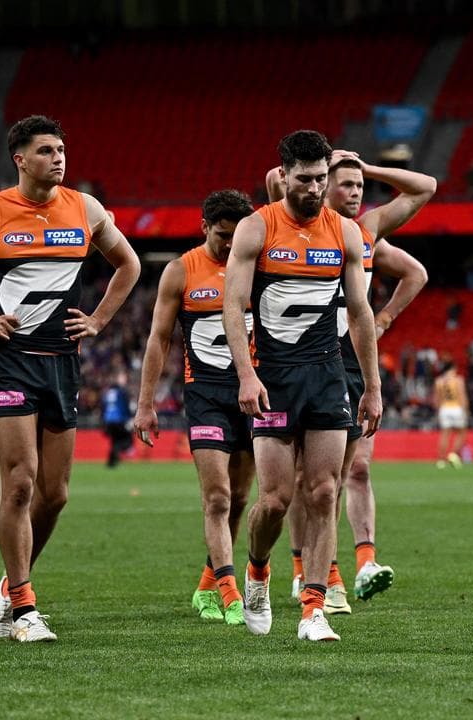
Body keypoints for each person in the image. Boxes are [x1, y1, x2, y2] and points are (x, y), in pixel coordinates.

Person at [0, 114, 141, 643]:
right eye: (46, 150)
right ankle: (22, 606)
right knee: (19, 482)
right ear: (20, 159)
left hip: (63, 360)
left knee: (55, 494)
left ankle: (9, 584)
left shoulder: (85, 209)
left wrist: (99, 320)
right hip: (12, 361)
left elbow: (128, 264)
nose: (59, 158)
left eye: (62, 148)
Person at [223, 129, 383, 642]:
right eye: (305, 178)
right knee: (274, 498)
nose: (315, 188)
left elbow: (359, 312)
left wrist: (373, 386)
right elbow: (233, 305)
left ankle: (313, 607)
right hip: (272, 379)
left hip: (327, 374)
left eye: (322, 179)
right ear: (284, 175)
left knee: (323, 490)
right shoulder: (256, 228)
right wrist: (245, 374)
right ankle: (258, 570)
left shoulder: (345, 233)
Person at [267, 150, 432, 609]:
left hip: (351, 357)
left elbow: (426, 188)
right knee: (304, 477)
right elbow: (272, 180)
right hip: (299, 355)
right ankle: (310, 571)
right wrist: (325, 162)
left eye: (361, 187)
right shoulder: (293, 222)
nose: (356, 192)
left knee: (345, 472)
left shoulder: (365, 232)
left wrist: (384, 320)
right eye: (346, 184)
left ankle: (350, 568)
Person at [133, 189, 257, 626]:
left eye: (237, 235)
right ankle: (230, 591)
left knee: (241, 498)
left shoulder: (259, 269)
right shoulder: (180, 271)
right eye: (222, 235)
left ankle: (207, 582)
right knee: (218, 497)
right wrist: (145, 403)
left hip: (252, 393)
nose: (229, 244)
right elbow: (159, 340)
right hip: (204, 394)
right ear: (205, 227)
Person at [433, 362, 468, 468]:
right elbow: (462, 396)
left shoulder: (438, 381)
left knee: (444, 434)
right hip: (456, 408)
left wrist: (439, 410)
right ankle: (453, 454)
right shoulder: (458, 380)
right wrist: (465, 409)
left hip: (444, 409)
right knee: (461, 433)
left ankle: (441, 460)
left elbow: (436, 399)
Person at [102, 370, 133, 467]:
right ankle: (115, 454)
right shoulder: (122, 392)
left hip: (108, 421)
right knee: (127, 441)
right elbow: (125, 407)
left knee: (115, 440)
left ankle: (112, 461)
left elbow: (103, 407)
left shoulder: (108, 392)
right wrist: (129, 418)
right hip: (119, 420)